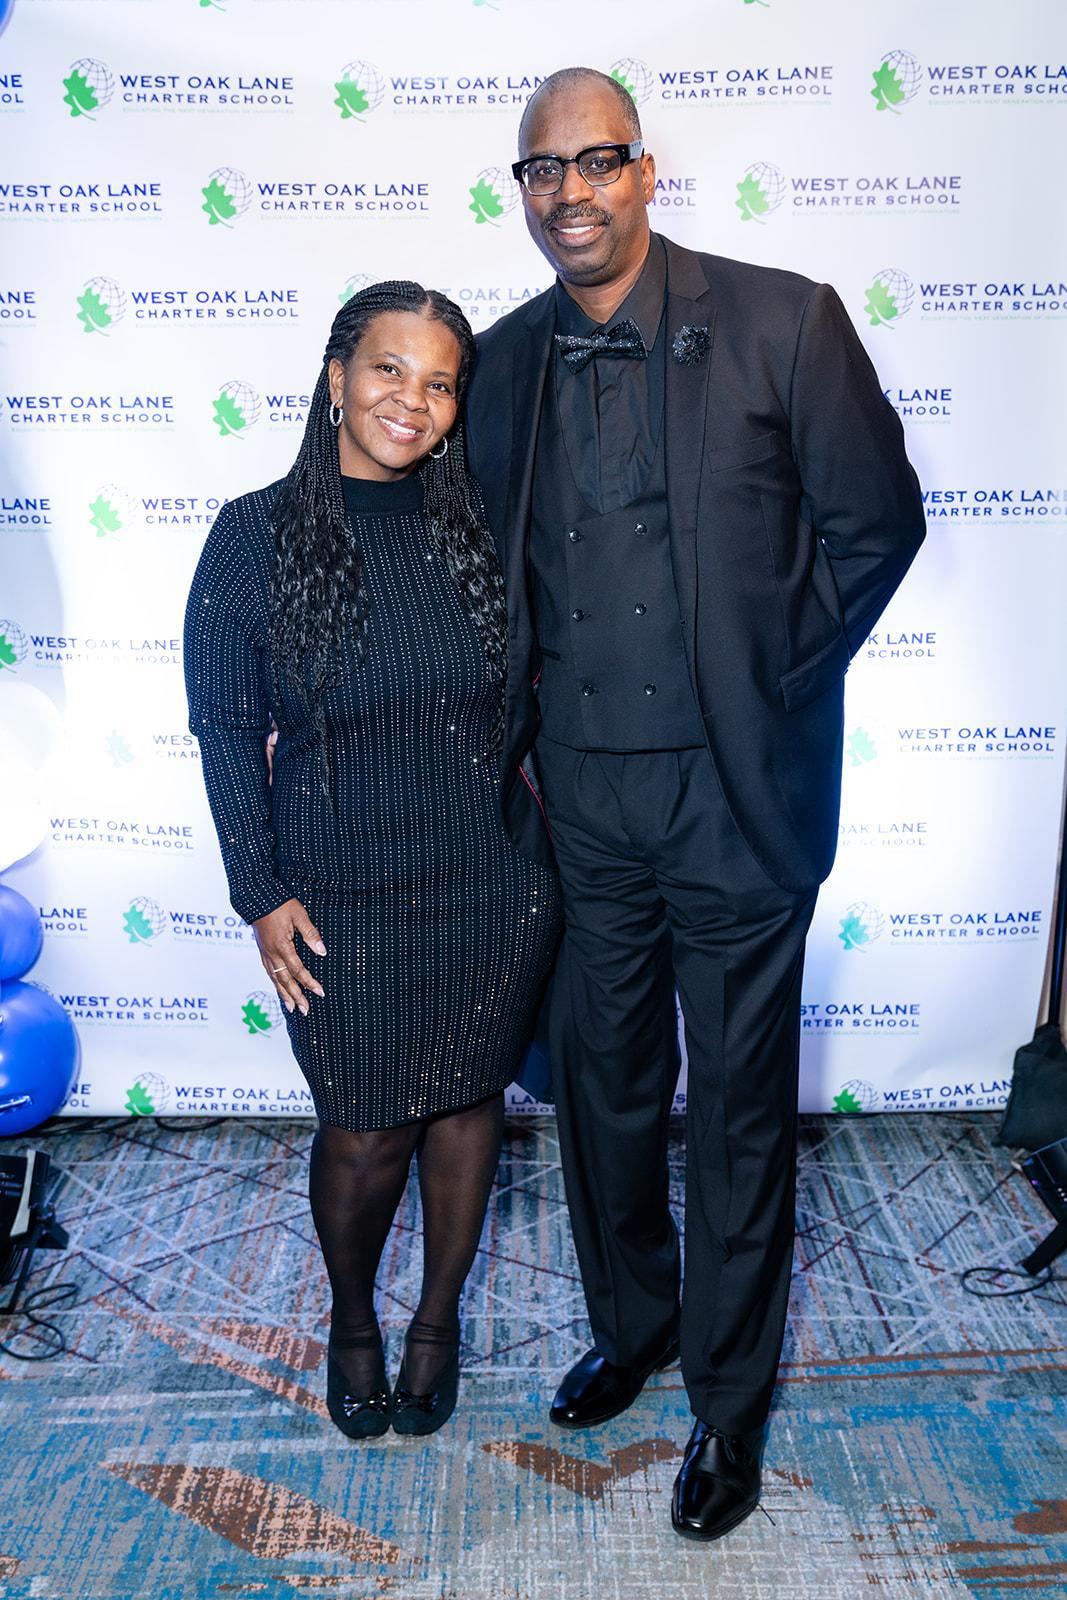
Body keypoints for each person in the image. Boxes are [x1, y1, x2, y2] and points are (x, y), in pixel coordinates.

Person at [465, 68, 925, 1540]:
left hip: (733, 798)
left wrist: (774, 678)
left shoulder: (783, 320)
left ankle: (727, 1404)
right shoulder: (501, 359)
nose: (570, 193)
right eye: (542, 170)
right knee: (600, 1094)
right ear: (522, 191)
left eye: (596, 161)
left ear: (645, 171)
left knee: (732, 1111)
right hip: (578, 806)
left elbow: (876, 524)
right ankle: (635, 1321)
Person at [184, 282, 561, 1441]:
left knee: (465, 1108)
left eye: (439, 382)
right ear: (337, 377)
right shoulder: (254, 534)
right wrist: (259, 891)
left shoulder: (479, 528)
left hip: (488, 883)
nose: (412, 399)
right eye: (389, 369)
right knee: (363, 1128)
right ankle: (354, 1320)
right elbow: (224, 726)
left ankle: (435, 1323)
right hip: (339, 895)